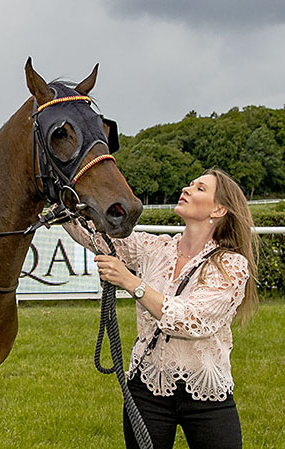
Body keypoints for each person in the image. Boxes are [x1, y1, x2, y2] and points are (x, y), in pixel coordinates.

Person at [64, 168, 258, 449]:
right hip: (146, 388)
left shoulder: (230, 265)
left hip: (207, 395)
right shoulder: (154, 248)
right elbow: (94, 235)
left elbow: (191, 320)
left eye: (200, 188)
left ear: (219, 209)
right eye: (190, 184)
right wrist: (61, 196)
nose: (188, 189)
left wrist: (131, 282)